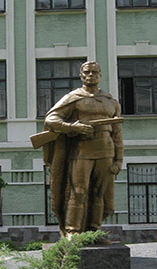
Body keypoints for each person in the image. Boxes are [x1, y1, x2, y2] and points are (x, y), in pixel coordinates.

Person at [43, 61, 123, 240]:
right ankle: (72, 231)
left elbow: (117, 134)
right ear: (81, 75)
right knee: (78, 191)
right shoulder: (74, 97)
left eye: (94, 72)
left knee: (99, 193)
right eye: (87, 72)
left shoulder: (111, 102)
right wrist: (72, 126)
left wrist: (119, 160)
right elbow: (51, 120)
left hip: (106, 152)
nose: (90, 75)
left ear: (100, 75)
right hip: (81, 151)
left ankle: (94, 231)